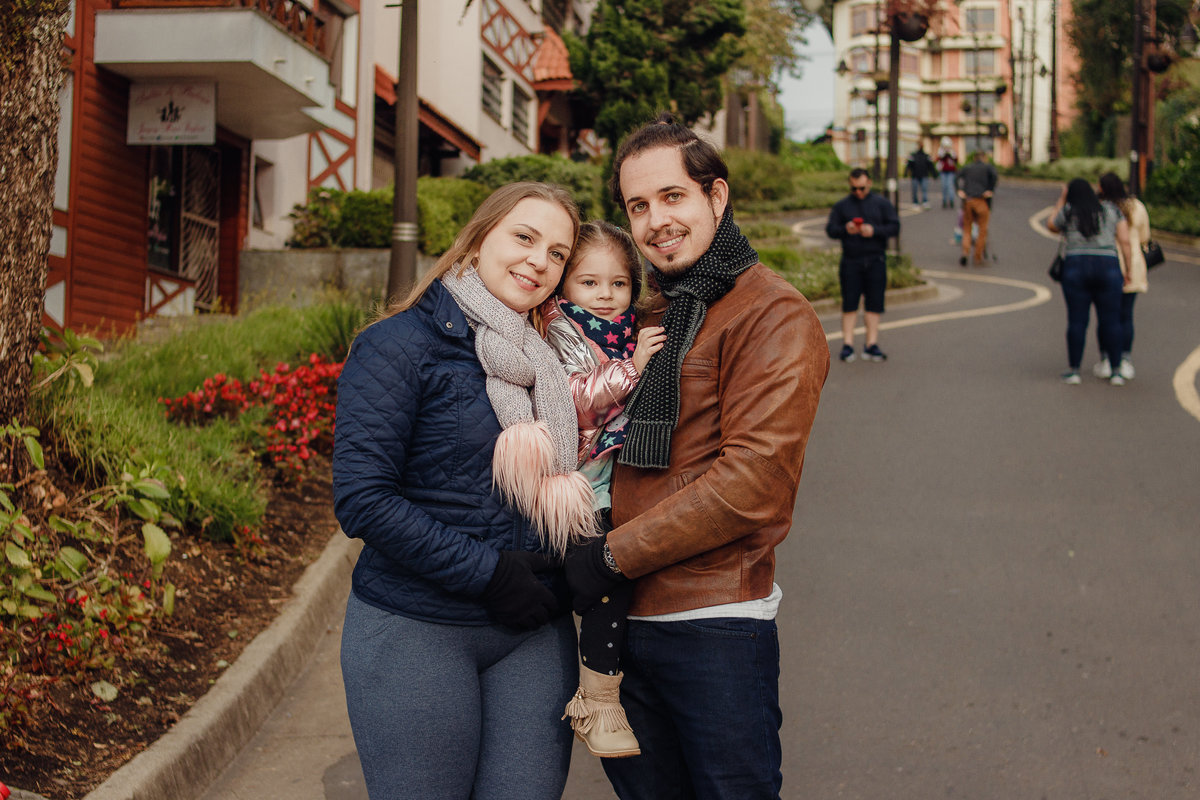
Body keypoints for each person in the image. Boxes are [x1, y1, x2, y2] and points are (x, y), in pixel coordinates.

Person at [564, 113, 829, 800]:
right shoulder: (653, 315)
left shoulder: (773, 315)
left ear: (716, 197)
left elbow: (752, 487)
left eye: (672, 196)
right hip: (620, 627)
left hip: (711, 627)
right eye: (638, 206)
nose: (655, 220)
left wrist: (608, 555)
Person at [333, 182, 596, 800]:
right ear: (478, 241)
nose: (539, 261)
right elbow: (363, 498)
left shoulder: (556, 363)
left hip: (533, 628)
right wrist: (488, 573)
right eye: (524, 238)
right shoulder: (399, 344)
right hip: (415, 628)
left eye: (558, 254)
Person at [542, 221, 666, 758]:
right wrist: (632, 368)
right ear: (566, 285)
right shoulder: (560, 329)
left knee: (613, 574)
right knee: (603, 577)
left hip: (617, 476)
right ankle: (597, 701)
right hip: (579, 476)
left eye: (618, 284)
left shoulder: (626, 327)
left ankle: (601, 695)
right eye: (589, 282)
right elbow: (575, 398)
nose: (605, 295)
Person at [1046, 178, 1133, 386]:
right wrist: (1128, 270)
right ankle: (1115, 371)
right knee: (1111, 320)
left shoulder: (1069, 210)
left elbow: (1051, 225)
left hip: (1075, 267)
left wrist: (1061, 199)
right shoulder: (1111, 210)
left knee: (1077, 321)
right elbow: (1125, 240)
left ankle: (1074, 370)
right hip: (1108, 266)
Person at [825, 168, 901, 362]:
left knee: (874, 304)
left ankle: (871, 344)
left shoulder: (882, 204)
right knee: (849, 303)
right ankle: (848, 344)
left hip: (876, 259)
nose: (858, 192)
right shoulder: (842, 206)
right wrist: (846, 229)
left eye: (861, 188)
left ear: (869, 183)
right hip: (851, 260)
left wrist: (874, 230)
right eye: (853, 188)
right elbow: (831, 229)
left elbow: (895, 226)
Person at [1094, 172, 1150, 381]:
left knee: (1105, 316)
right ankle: (1125, 359)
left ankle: (1106, 359)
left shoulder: (1101, 207)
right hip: (1134, 264)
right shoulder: (1137, 207)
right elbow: (1145, 236)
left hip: (1106, 263)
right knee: (1126, 315)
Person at [956, 150, 998, 266]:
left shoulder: (968, 167)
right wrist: (990, 190)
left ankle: (965, 252)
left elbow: (957, 176)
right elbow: (995, 176)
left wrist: (959, 190)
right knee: (982, 230)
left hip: (968, 200)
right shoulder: (987, 167)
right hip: (981, 200)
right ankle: (978, 256)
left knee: (967, 229)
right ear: (984, 158)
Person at [904, 143, 936, 208]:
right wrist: (906, 173)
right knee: (915, 190)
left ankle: (925, 201)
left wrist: (934, 174)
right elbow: (908, 165)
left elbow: (930, 165)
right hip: (915, 175)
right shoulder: (913, 155)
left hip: (924, 175)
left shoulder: (926, 156)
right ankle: (915, 202)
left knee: (924, 189)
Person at [936, 136, 958, 208]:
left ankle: (951, 200)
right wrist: (944, 155)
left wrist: (950, 155)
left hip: (950, 171)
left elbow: (955, 160)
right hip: (943, 171)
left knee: (950, 186)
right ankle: (944, 201)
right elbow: (938, 159)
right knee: (944, 186)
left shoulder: (952, 151)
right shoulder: (940, 151)